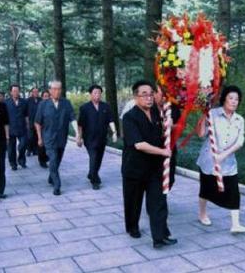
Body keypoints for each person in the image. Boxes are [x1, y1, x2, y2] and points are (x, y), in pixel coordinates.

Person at [121, 80, 177, 249]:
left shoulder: (157, 113)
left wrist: (170, 126)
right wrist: (162, 152)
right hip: (134, 168)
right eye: (144, 94)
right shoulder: (129, 117)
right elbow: (139, 144)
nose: (149, 97)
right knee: (133, 201)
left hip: (154, 168)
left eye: (151, 93)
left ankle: (160, 237)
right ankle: (132, 227)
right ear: (135, 97)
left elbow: (164, 130)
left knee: (158, 201)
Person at [196, 85, 245, 234]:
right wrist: (203, 115)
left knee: (233, 191)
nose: (234, 102)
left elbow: (240, 142)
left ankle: (236, 224)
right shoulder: (212, 114)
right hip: (209, 159)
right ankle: (202, 214)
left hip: (228, 162)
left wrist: (223, 155)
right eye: (231, 98)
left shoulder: (240, 120)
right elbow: (201, 134)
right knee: (205, 189)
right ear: (224, 99)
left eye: (237, 99)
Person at [35, 81, 80, 196]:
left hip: (61, 138)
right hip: (49, 138)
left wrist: (77, 133)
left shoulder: (66, 103)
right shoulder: (43, 104)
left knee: (57, 160)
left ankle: (51, 177)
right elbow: (37, 122)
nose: (57, 91)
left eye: (59, 89)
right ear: (50, 91)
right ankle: (57, 185)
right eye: (54, 89)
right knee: (53, 159)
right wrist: (40, 138)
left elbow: (72, 118)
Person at [77, 85, 118, 190]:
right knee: (93, 157)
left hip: (102, 138)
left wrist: (114, 132)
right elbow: (80, 124)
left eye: (99, 93)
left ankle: (91, 173)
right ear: (90, 94)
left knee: (99, 159)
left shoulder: (106, 107)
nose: (97, 95)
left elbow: (111, 120)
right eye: (95, 93)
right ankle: (95, 181)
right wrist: (79, 137)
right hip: (89, 139)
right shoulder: (84, 108)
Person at [152, 85, 181, 190]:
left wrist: (171, 126)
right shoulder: (149, 108)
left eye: (157, 92)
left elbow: (180, 126)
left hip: (170, 148)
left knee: (170, 179)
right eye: (154, 92)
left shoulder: (173, 108)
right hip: (154, 150)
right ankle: (158, 202)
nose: (154, 94)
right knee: (156, 180)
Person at [5, 84, 29, 171]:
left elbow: (26, 115)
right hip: (10, 128)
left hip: (22, 127)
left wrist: (27, 125)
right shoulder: (6, 102)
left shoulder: (24, 102)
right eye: (14, 91)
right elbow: (4, 117)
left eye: (17, 91)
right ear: (11, 92)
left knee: (23, 145)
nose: (16, 92)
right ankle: (13, 164)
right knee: (11, 148)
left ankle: (21, 160)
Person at [27, 87, 42, 157]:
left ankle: (35, 150)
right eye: (34, 92)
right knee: (30, 137)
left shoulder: (41, 100)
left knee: (36, 136)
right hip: (30, 121)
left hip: (38, 122)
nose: (36, 93)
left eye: (37, 92)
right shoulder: (28, 100)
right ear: (32, 93)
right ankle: (29, 150)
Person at [37, 90, 50, 168]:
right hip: (42, 129)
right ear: (42, 97)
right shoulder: (41, 106)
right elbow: (38, 120)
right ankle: (42, 161)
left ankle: (48, 158)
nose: (46, 98)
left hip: (51, 130)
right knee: (42, 146)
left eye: (48, 96)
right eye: (45, 96)